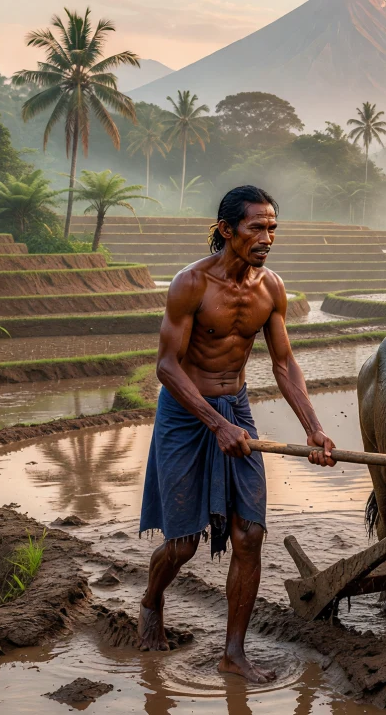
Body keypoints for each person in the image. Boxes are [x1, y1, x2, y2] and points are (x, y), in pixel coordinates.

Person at [138, 185, 336, 682]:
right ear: (227, 230)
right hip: (187, 414)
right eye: (256, 227)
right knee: (182, 544)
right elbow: (166, 367)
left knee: (249, 534)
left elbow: (284, 362)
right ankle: (151, 600)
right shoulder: (191, 284)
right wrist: (216, 422)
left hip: (236, 409)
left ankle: (233, 653)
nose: (267, 236)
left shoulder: (271, 287)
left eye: (273, 227)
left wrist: (314, 428)